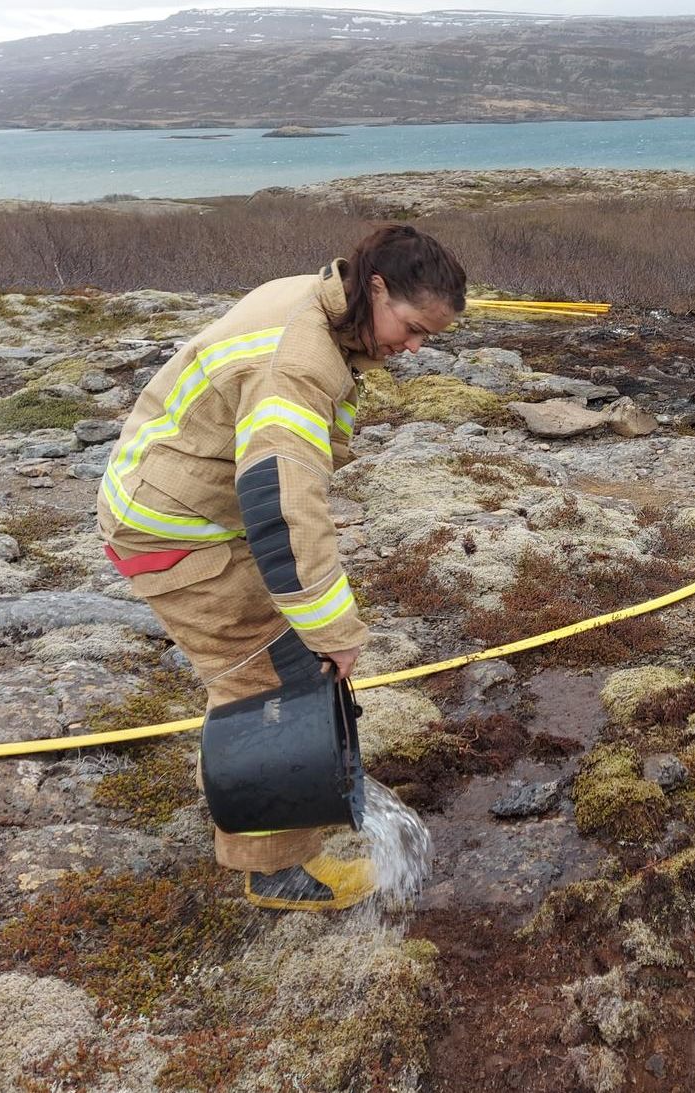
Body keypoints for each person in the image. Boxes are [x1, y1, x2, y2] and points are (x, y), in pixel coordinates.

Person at [97, 224, 466, 912]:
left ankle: (268, 812)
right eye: (412, 328)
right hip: (170, 527)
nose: (413, 349)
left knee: (285, 659)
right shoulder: (298, 361)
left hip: (195, 509)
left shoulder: (322, 305)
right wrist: (335, 628)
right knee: (267, 679)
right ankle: (276, 873)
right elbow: (282, 506)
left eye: (427, 339)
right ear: (377, 287)